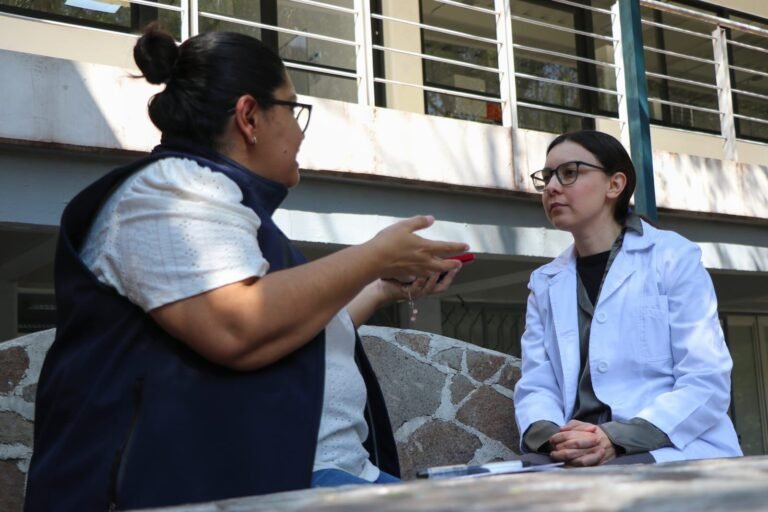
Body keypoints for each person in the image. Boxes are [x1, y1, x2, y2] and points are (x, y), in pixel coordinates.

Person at [24, 26, 470, 511]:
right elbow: (238, 325)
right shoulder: (168, 193)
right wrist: (373, 255)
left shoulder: (221, 202)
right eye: (294, 110)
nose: (300, 131)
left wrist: (379, 284)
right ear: (250, 116)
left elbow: (296, 329)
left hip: (322, 476)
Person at [513, 130, 742, 467]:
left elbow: (706, 380)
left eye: (569, 173)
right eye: (546, 177)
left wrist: (616, 439)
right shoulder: (545, 282)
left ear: (615, 185)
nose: (551, 187)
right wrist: (553, 438)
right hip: (574, 453)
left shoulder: (672, 257)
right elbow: (537, 382)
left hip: (667, 446)